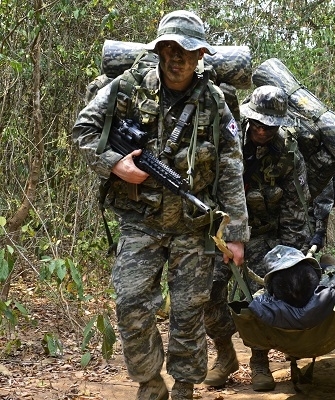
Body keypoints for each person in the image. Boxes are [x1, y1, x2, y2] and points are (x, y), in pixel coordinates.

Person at [72, 10, 249, 400]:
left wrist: (235, 234)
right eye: (169, 48)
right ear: (159, 50)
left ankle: (184, 388)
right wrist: (114, 165)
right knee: (131, 305)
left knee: (189, 312)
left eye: (186, 50)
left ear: (201, 54)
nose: (176, 58)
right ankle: (151, 385)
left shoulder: (215, 103)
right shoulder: (128, 87)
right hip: (141, 221)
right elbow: (83, 129)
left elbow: (233, 168)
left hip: (193, 225)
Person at [203, 85, 312, 391]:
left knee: (259, 299)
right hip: (223, 235)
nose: (263, 131)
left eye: (270, 126)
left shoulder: (289, 154)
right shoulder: (229, 141)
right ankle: (225, 354)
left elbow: (295, 206)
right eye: (259, 124)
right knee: (208, 291)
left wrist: (290, 256)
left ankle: (260, 361)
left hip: (266, 238)